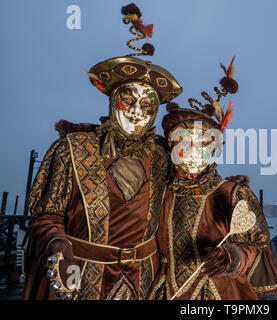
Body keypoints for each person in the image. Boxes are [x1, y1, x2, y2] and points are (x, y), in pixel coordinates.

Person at [23, 4, 182, 300]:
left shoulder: (163, 157)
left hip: (145, 280)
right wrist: (58, 244)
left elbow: (190, 204)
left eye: (147, 104)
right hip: (83, 275)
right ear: (112, 100)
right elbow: (46, 215)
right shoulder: (72, 148)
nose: (136, 112)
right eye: (127, 100)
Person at [148, 60, 277, 300]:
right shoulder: (159, 192)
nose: (192, 151)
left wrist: (233, 257)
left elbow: (257, 246)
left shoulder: (232, 195)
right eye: (183, 143)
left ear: (213, 148)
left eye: (201, 144)